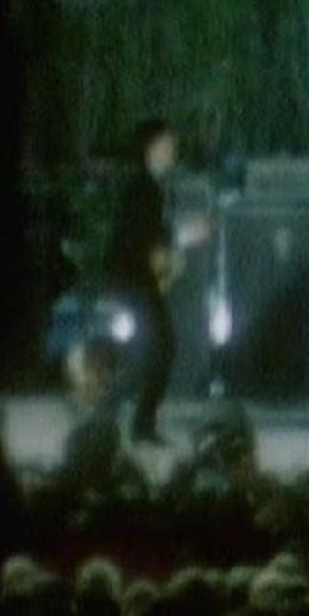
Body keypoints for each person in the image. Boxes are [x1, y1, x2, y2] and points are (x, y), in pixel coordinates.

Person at [104, 117, 197, 445]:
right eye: (167, 144)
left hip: (135, 279)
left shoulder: (149, 185)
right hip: (132, 280)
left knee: (155, 347)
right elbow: (143, 235)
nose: (173, 150)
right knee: (160, 347)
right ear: (151, 148)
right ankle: (123, 417)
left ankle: (127, 419)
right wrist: (184, 235)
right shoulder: (142, 187)